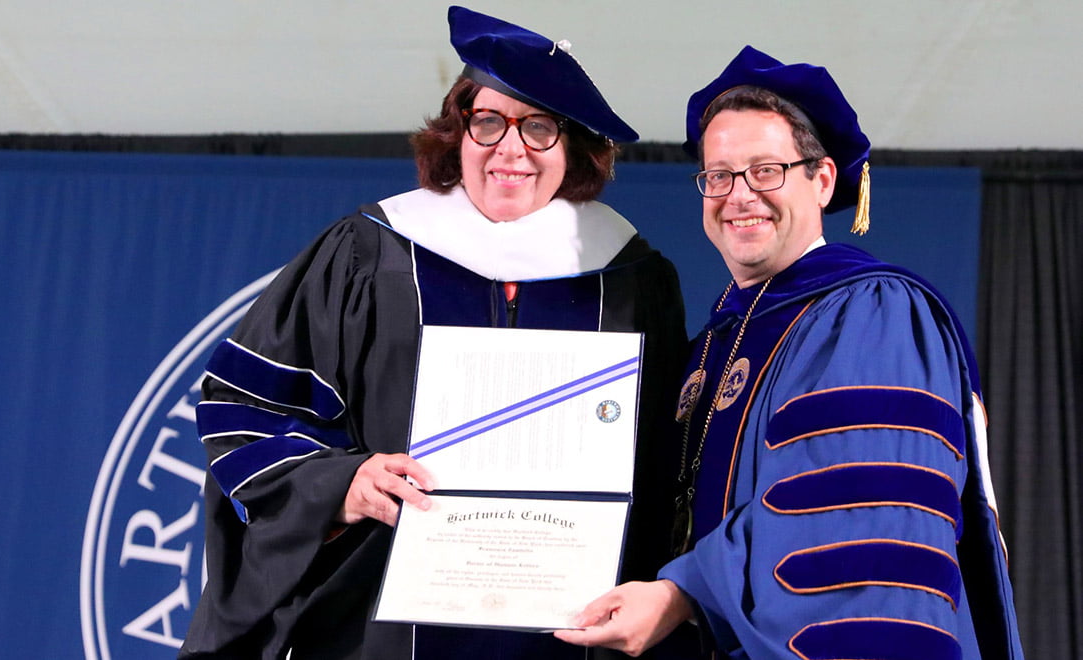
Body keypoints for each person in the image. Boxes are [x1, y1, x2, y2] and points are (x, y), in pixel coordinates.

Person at [179, 6, 687, 660]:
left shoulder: (632, 278)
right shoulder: (369, 254)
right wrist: (343, 484)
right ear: (457, 134)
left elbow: (668, 464)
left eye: (539, 127)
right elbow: (244, 411)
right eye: (488, 122)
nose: (511, 149)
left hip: (574, 633)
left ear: (574, 147)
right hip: (380, 628)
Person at [555, 46, 1024, 660]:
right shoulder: (711, 349)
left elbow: (849, 516)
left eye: (766, 170)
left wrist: (681, 594)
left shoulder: (871, 313)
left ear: (823, 179)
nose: (739, 194)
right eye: (718, 175)